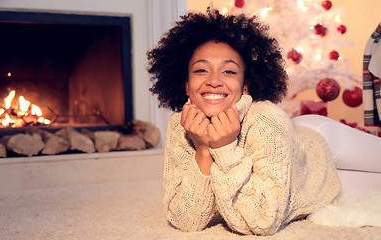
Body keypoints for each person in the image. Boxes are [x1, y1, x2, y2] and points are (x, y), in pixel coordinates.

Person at [147, 8, 343, 235]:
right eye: (201, 70)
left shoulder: (266, 119)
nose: (214, 81)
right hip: (290, 146)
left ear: (246, 85)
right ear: (187, 85)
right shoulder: (178, 125)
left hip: (318, 147)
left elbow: (262, 222)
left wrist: (224, 148)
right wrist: (204, 148)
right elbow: (186, 220)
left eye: (229, 71)